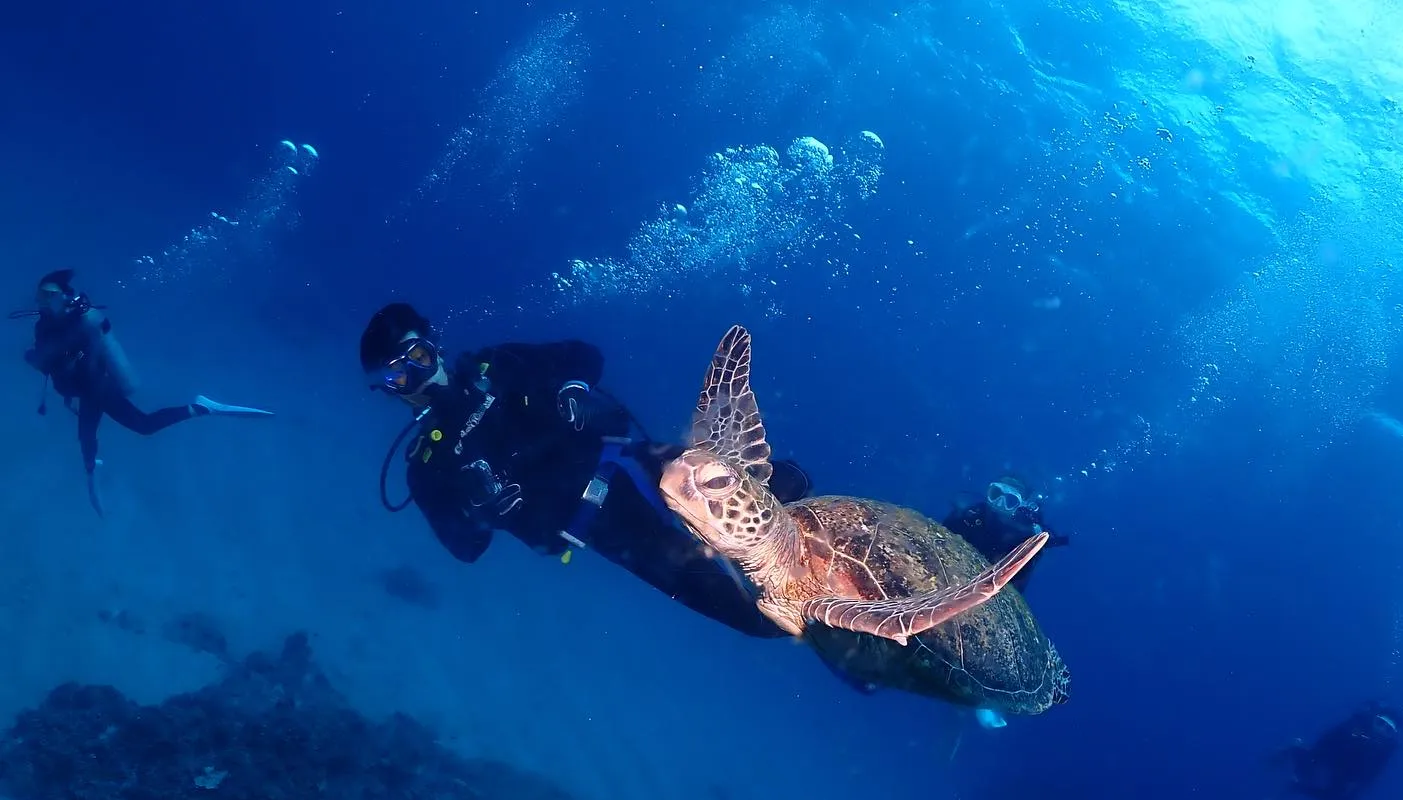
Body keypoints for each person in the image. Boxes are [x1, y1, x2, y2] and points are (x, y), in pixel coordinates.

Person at [359, 302, 814, 639]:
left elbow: (584, 354)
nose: (418, 380)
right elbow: (465, 548)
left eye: (417, 359)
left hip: (630, 461)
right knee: (756, 617)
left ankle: (850, 546)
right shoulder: (428, 468)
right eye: (398, 376)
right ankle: (847, 634)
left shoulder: (500, 366)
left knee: (781, 489)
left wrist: (573, 389)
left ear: (434, 346)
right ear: (389, 391)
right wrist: (479, 509)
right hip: (604, 528)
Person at [10, 269, 273, 515]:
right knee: (113, 431)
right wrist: (39, 358)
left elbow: (68, 357)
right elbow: (51, 358)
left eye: (49, 295)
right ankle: (199, 409)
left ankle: (202, 408)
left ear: (66, 296)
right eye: (40, 295)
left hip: (97, 388)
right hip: (87, 388)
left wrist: (40, 358)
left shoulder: (81, 322)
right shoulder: (44, 325)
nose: (42, 300)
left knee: (120, 430)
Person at [942, 475, 1069, 594]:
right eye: (995, 494)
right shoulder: (972, 515)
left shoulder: (1023, 538)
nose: (1000, 502)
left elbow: (1017, 584)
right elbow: (945, 532)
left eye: (1010, 501)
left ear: (1020, 507)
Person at [1265, 702, 1402, 800]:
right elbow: (1324, 741)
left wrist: (1353, 788)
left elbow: (1369, 779)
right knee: (1305, 772)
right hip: (1328, 756)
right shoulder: (1355, 727)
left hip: (1347, 772)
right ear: (1373, 720)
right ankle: (1294, 748)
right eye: (1380, 723)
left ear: (1390, 736)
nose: (1381, 729)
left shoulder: (1384, 751)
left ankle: (1295, 787)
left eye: (1388, 729)